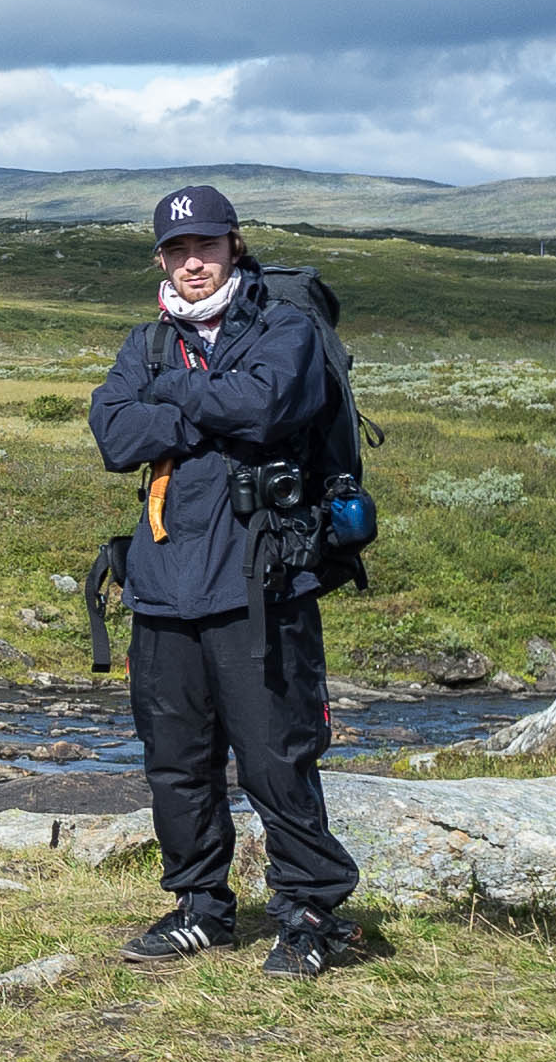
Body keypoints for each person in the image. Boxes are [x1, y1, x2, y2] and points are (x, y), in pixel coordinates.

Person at [87, 187, 362, 978]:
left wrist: (171, 402)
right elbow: (113, 432)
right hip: (164, 586)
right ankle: (201, 907)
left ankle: (313, 912)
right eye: (177, 250)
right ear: (160, 259)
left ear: (235, 246)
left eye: (206, 245)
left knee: (277, 756)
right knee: (176, 759)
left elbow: (270, 403)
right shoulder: (146, 343)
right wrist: (209, 408)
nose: (193, 261)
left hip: (262, 583)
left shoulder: (286, 328)